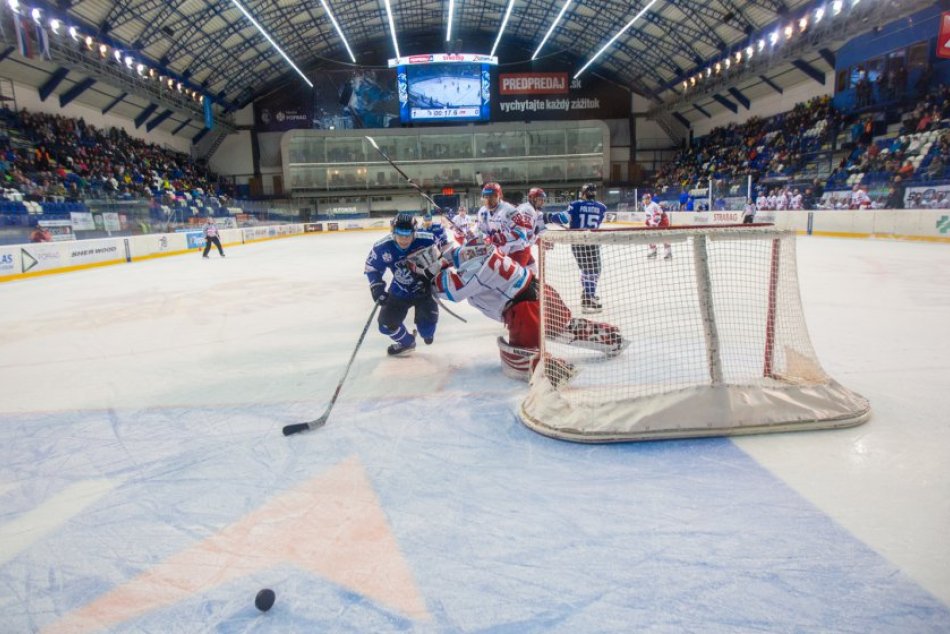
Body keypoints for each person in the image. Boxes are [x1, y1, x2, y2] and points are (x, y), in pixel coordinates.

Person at [405, 241, 626, 385]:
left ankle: (550, 368)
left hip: (523, 310)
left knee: (517, 362)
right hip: (542, 292)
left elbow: (452, 290)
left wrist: (427, 277)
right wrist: (441, 262)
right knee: (563, 328)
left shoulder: (473, 271)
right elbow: (455, 255)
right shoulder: (476, 251)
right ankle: (611, 337)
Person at [364, 212, 439, 356]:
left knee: (427, 333)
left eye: (408, 234)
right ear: (393, 232)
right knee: (386, 324)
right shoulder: (382, 247)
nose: (404, 239)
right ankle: (407, 342)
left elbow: (444, 260)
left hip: (425, 292)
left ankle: (425, 331)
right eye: (400, 234)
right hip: (400, 290)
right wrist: (376, 287)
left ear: (414, 233)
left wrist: (435, 279)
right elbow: (372, 267)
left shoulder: (428, 240)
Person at [553, 183, 607, 313]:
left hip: (577, 242)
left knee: (586, 269)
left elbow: (563, 218)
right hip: (592, 242)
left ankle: (588, 294)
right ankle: (588, 298)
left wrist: (549, 217)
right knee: (594, 270)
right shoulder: (602, 207)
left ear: (583, 193)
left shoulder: (575, 205)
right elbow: (598, 222)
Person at [492, 186, 546, 273]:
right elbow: (523, 234)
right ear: (532, 198)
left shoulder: (526, 208)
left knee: (532, 270)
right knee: (516, 276)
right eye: (540, 199)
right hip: (519, 249)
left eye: (543, 199)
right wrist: (535, 236)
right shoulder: (528, 210)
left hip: (517, 247)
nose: (542, 202)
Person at [642, 193, 671, 259]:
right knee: (650, 235)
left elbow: (658, 217)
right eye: (644, 199)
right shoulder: (645, 206)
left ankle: (668, 252)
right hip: (656, 222)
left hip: (663, 221)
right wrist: (648, 222)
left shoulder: (654, 205)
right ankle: (653, 251)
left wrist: (654, 225)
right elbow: (649, 216)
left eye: (647, 199)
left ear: (650, 199)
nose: (645, 200)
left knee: (664, 236)